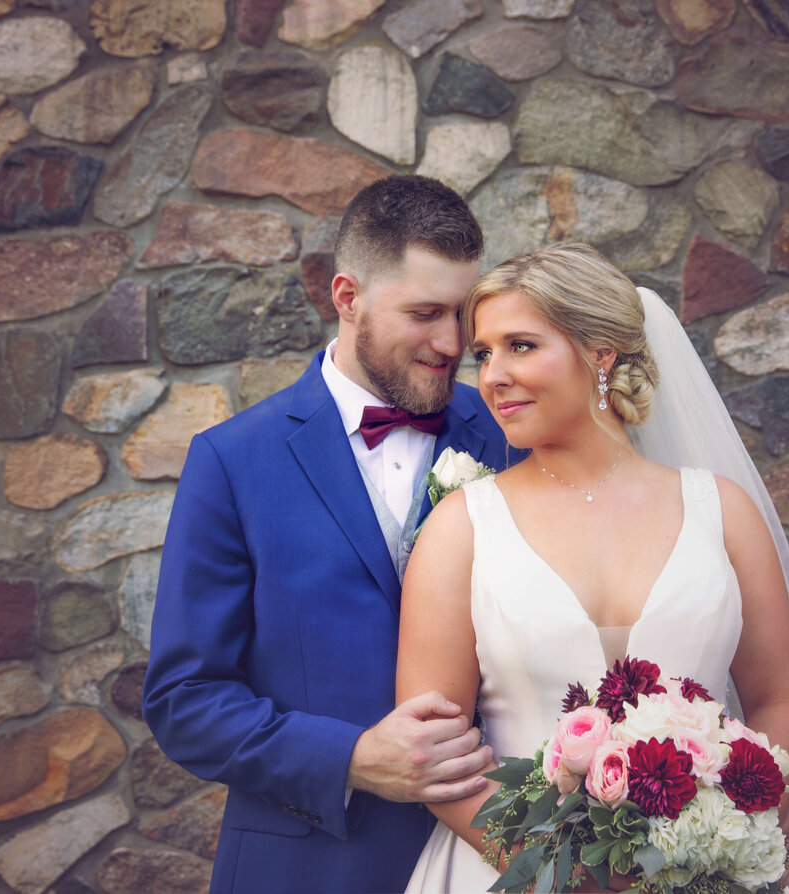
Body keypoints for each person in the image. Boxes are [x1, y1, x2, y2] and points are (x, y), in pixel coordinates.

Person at [398, 243, 789, 893]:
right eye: (484, 354)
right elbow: (433, 749)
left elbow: (780, 699)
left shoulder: (722, 512)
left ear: (601, 353)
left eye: (521, 346)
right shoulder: (461, 529)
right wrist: (562, 874)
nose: (492, 375)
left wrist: (729, 834)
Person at [142, 175, 515, 893]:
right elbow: (184, 699)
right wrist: (350, 757)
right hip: (308, 867)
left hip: (501, 860)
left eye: (464, 314)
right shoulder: (231, 461)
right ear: (347, 298)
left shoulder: (513, 437)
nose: (453, 343)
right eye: (426, 313)